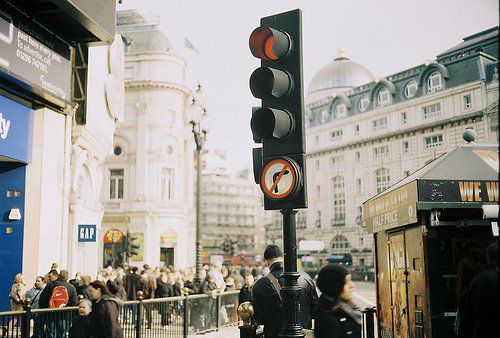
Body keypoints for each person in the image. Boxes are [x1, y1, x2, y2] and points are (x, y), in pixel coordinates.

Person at [252, 245, 318, 338]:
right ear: (282, 258)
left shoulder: (260, 285)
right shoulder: (306, 278)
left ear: (267, 262)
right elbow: (315, 309)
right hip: (303, 334)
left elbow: (259, 318)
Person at [458, 241, 498, 338]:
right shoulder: (489, 278)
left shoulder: (480, 277)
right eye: (474, 254)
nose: (477, 257)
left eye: (478, 254)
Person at [315, 264, 362, 338]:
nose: (352, 285)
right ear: (335, 285)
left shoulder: (343, 309)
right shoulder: (328, 318)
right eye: (347, 282)